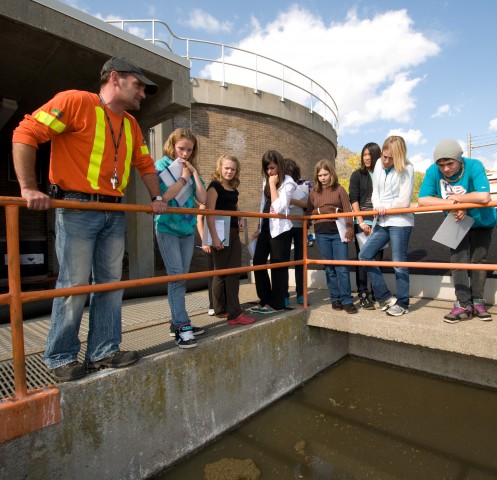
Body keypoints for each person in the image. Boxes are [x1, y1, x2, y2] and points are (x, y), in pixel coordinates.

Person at [11, 56, 168, 382]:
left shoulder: (131, 124)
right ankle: (60, 358)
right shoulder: (76, 102)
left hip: (114, 210)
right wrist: (28, 188)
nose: (143, 94)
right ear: (115, 78)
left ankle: (103, 352)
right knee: (74, 285)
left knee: (110, 286)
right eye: (138, 85)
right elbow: (26, 132)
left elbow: (145, 164)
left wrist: (156, 198)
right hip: (77, 207)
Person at [418, 138, 497, 323]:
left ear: (459, 160)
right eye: (441, 165)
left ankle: (478, 301)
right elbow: (423, 200)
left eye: (449, 163)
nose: (445, 169)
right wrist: (453, 202)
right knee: (457, 261)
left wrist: (463, 203)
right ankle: (463, 304)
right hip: (455, 219)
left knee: (479, 260)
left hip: (482, 220)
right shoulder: (433, 171)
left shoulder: (474, 165)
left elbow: (484, 196)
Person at [154, 128, 207, 348]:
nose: (185, 154)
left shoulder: (190, 168)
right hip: (167, 228)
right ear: (172, 145)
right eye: (181, 148)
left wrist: (193, 174)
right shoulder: (161, 166)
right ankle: (182, 326)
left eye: (189, 150)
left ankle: (176, 321)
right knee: (176, 276)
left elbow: (203, 199)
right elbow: (164, 197)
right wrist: (184, 178)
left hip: (186, 231)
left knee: (182, 278)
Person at [358, 136, 414, 317]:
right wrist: (377, 206)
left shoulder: (408, 168)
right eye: (384, 156)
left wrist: (386, 208)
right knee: (364, 255)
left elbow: (404, 200)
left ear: (399, 157)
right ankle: (385, 297)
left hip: (400, 221)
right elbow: (375, 193)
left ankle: (403, 303)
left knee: (399, 263)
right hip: (382, 220)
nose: (386, 161)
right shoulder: (378, 166)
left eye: (391, 158)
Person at [206, 154, 256, 325]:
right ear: (220, 167)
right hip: (220, 231)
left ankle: (234, 312)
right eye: (227, 168)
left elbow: (234, 207)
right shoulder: (214, 187)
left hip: (234, 232)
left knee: (234, 272)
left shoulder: (234, 190)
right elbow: (209, 213)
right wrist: (214, 237)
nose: (229, 171)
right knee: (220, 273)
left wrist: (240, 218)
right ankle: (221, 309)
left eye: (233, 169)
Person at [308, 159, 357, 314]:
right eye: (320, 175)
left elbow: (348, 210)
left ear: (331, 174)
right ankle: (335, 298)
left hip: (338, 232)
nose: (323, 177)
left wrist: (350, 228)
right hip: (321, 233)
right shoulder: (314, 193)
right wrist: (323, 211)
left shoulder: (339, 189)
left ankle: (347, 300)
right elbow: (309, 213)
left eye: (325, 174)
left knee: (342, 267)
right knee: (329, 268)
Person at [250, 150, 297, 314]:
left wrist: (272, 184)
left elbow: (278, 208)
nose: (269, 172)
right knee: (258, 262)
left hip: (281, 230)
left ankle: (277, 304)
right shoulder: (267, 179)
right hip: (266, 227)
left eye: (272, 168)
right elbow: (264, 204)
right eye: (267, 169)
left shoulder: (288, 183)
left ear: (280, 166)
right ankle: (265, 300)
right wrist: (259, 227)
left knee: (278, 266)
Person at [348, 142, 383, 310]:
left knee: (378, 259)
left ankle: (378, 292)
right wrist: (361, 222)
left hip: (380, 223)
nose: (367, 158)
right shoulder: (357, 175)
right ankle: (363, 293)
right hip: (362, 224)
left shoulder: (382, 174)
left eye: (370, 154)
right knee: (362, 259)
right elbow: (353, 199)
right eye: (364, 155)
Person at [285, 158, 311, 305]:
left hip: (301, 226)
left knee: (300, 260)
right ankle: (284, 294)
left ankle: (301, 293)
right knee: (283, 261)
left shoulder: (305, 184)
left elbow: (309, 204)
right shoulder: (280, 185)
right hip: (285, 225)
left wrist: (291, 200)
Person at [196, 204, 216, 316]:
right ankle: (212, 305)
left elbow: (236, 209)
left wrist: (241, 219)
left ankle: (223, 303)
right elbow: (199, 217)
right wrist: (204, 240)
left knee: (225, 273)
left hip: (224, 239)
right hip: (210, 240)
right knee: (212, 274)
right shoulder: (208, 195)